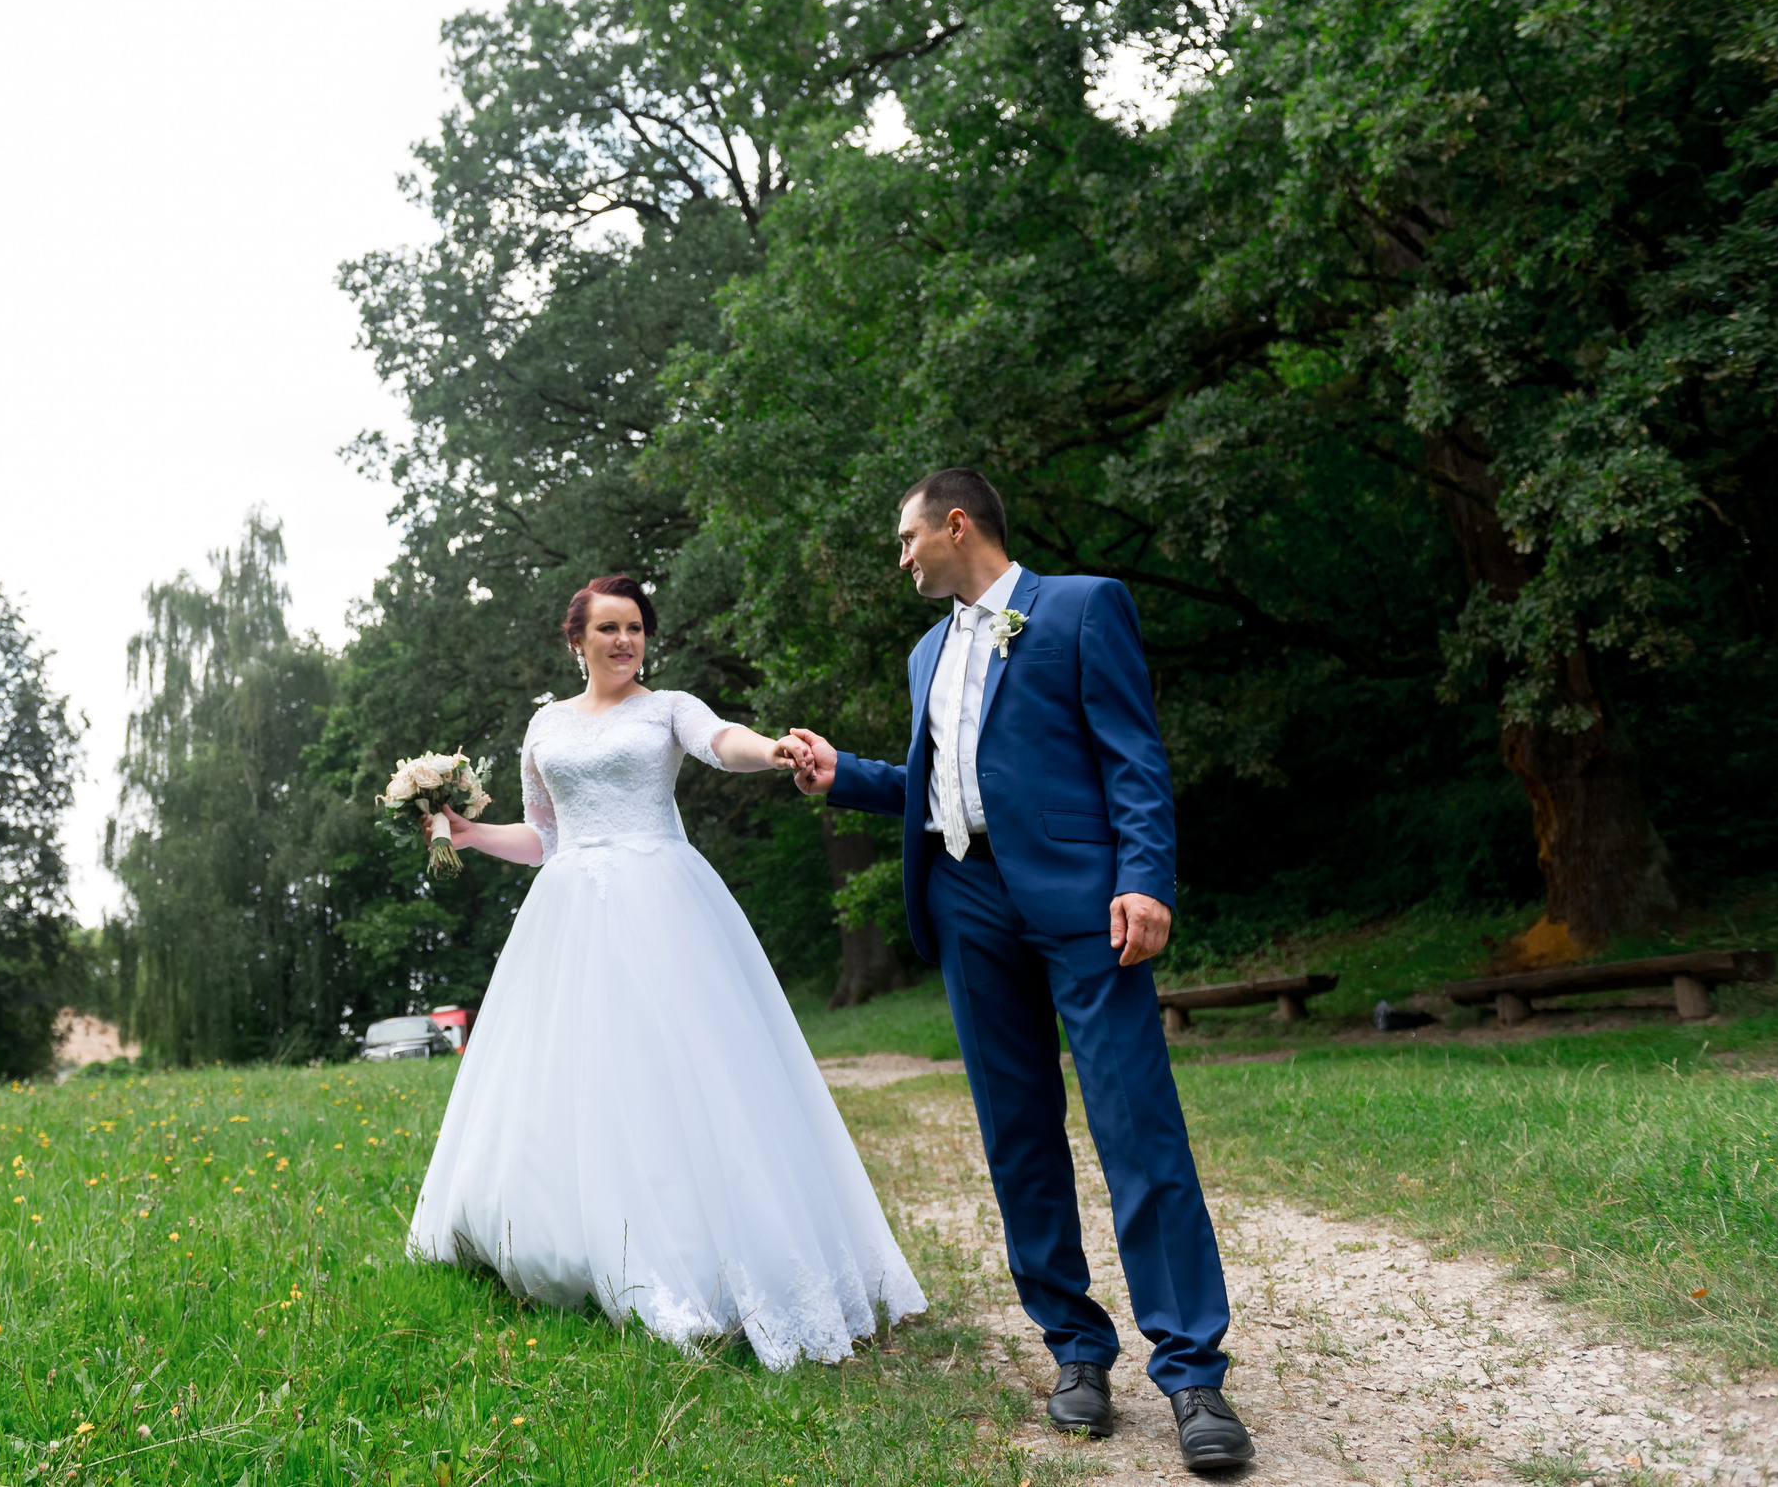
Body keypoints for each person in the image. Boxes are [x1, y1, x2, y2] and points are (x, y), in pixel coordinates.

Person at [779, 469, 1254, 1469]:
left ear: (957, 524)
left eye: (906, 536)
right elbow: (943, 779)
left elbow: (1131, 752)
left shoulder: (1080, 605)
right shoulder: (923, 653)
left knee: (1136, 1119)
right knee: (1017, 1133)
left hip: (1086, 898)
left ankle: (1192, 1371)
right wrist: (847, 775)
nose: (900, 556)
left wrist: (1146, 876)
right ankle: (1075, 1348)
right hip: (966, 902)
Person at [407, 573, 926, 1368]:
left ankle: (698, 1253)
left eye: (636, 628)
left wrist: (775, 750)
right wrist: (471, 835)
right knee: (574, 1077)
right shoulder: (544, 726)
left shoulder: (669, 706)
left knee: (679, 1072)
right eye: (608, 628)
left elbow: (724, 742)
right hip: (568, 912)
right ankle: (570, 1239)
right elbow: (546, 835)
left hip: (663, 904)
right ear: (575, 639)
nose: (624, 640)